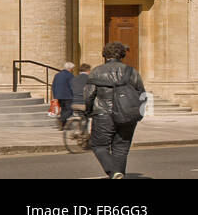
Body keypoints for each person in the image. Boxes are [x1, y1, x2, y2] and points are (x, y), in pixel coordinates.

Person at [85, 42, 146, 179]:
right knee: (121, 148)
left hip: (103, 113)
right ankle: (118, 175)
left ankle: (114, 172)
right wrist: (139, 113)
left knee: (99, 145)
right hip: (127, 114)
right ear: (122, 54)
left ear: (105, 55)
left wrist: (88, 111)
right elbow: (142, 94)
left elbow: (89, 94)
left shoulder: (97, 71)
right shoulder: (131, 71)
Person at [52, 61, 76, 130]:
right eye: (72, 69)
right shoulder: (70, 76)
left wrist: (55, 96)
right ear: (70, 68)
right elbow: (72, 86)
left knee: (63, 110)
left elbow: (54, 86)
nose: (72, 70)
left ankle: (62, 126)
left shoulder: (57, 75)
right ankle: (61, 119)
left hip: (58, 95)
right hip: (67, 96)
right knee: (70, 110)